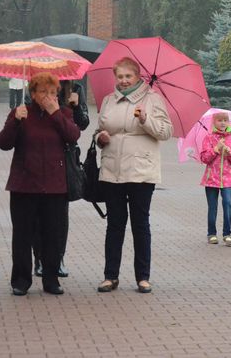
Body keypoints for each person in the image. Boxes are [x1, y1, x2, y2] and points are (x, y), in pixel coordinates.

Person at [0, 72, 80, 296]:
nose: (48, 97)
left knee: (52, 234)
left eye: (53, 92)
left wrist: (55, 114)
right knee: (23, 234)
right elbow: (3, 143)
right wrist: (15, 121)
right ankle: (21, 280)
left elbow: (73, 135)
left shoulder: (63, 113)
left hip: (54, 185)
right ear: (32, 93)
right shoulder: (21, 113)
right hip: (24, 184)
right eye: (43, 92)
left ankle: (51, 279)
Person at [96, 57, 173, 294]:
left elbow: (166, 131)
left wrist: (145, 119)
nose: (124, 80)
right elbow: (99, 129)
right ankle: (111, 276)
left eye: (128, 76)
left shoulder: (152, 100)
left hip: (141, 172)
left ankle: (143, 277)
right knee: (114, 225)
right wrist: (100, 138)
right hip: (112, 170)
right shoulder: (109, 100)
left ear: (138, 76)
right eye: (120, 76)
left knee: (140, 225)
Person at [33, 79, 89, 278]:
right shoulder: (39, 85)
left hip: (65, 158)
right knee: (38, 213)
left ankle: (58, 258)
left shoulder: (76, 88)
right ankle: (38, 259)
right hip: (40, 156)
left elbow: (82, 124)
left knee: (60, 215)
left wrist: (75, 107)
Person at [200, 112, 231, 246]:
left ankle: (227, 233)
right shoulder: (209, 138)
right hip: (211, 179)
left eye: (225, 120)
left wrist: (229, 151)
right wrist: (216, 149)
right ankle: (211, 234)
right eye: (219, 120)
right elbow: (204, 158)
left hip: (227, 179)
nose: (223, 123)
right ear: (214, 122)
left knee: (228, 204)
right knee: (212, 207)